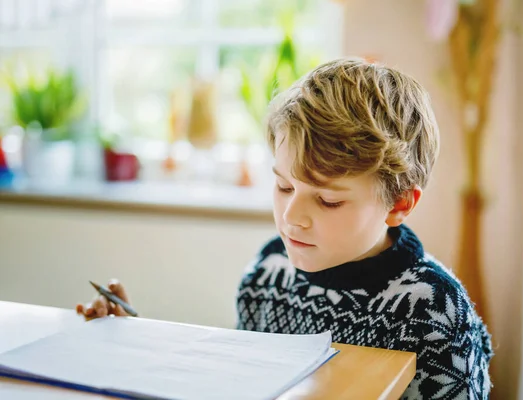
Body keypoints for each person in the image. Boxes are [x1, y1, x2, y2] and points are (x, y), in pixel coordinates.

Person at [77, 58, 492, 399]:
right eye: (283, 185)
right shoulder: (269, 269)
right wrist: (130, 340)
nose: (292, 217)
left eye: (328, 200)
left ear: (399, 204)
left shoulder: (436, 311)